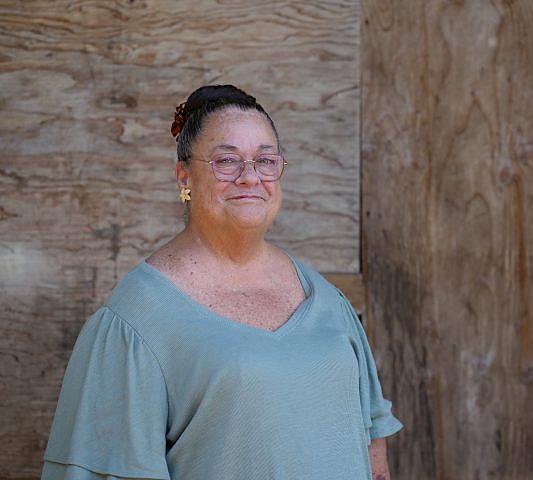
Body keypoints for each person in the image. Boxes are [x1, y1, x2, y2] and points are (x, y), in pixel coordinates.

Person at [40, 85, 403, 480]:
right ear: (184, 175)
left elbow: (373, 453)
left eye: (266, 160)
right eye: (226, 161)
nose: (250, 177)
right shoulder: (135, 323)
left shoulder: (328, 302)